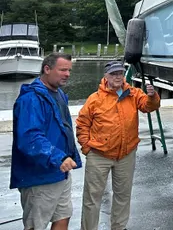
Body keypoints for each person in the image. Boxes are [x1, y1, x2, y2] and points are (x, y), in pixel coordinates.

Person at [76, 60, 160, 230]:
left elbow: (148, 107)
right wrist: (87, 148)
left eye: (120, 73)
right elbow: (82, 124)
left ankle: (119, 227)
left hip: (126, 154)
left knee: (123, 195)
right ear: (105, 76)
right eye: (113, 74)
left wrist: (152, 96)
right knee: (92, 198)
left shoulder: (133, 93)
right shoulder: (94, 99)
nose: (117, 77)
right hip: (99, 155)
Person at [10, 52, 82, 230]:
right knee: (36, 225)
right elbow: (29, 137)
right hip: (39, 175)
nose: (67, 74)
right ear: (47, 69)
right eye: (63, 70)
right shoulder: (30, 99)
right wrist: (58, 157)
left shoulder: (59, 95)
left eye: (69, 70)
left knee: (63, 216)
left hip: (61, 172)